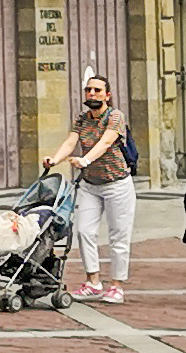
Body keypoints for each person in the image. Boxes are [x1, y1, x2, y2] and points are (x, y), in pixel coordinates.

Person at [45, 72, 138, 305]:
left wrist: (85, 160)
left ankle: (116, 286)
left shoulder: (115, 116)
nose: (92, 94)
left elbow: (106, 142)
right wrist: (55, 159)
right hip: (90, 185)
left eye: (97, 90)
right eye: (88, 90)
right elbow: (71, 141)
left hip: (117, 184)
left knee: (119, 235)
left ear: (107, 95)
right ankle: (93, 282)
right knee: (84, 231)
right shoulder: (82, 118)